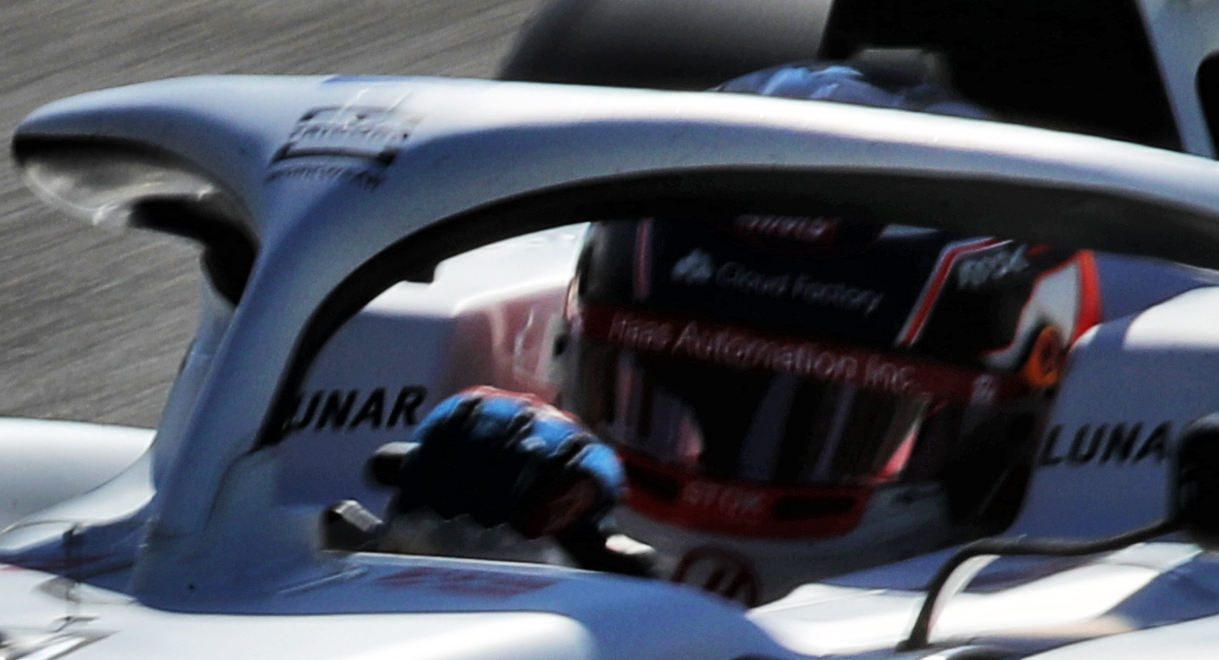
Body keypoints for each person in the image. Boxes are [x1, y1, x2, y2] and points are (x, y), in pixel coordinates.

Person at [364, 61, 1098, 603]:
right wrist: (435, 562)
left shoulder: (1084, 618)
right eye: (650, 397)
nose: (719, 482)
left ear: (1007, 425)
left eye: (833, 420)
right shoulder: (542, 517)